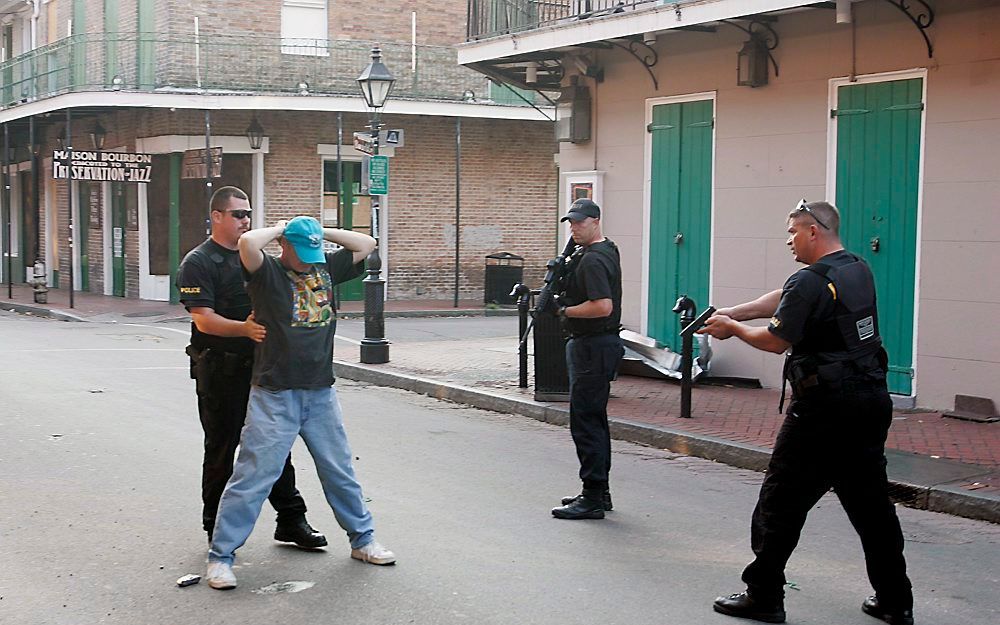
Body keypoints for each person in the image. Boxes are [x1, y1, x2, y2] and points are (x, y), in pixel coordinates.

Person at [698, 200, 913, 625]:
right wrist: (735, 310)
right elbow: (786, 297)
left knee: (779, 503)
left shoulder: (810, 282)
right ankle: (895, 600)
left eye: (793, 232)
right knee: (871, 508)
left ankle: (763, 596)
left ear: (813, 231)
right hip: (869, 401)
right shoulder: (854, 269)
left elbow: (777, 340)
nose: (788, 241)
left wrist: (733, 329)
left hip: (822, 411)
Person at [205, 215, 395, 590]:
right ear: (284, 247)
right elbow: (247, 244)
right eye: (301, 250)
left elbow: (366, 244)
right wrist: (282, 228)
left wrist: (317, 232)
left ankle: (363, 540)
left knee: (339, 471)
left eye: (314, 252)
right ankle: (221, 557)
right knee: (253, 477)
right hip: (275, 393)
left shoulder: (325, 266)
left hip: (320, 391)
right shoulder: (266, 273)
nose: (309, 260)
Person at [177, 186, 326, 549]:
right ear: (216, 216)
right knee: (222, 450)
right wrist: (243, 329)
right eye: (238, 214)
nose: (245, 220)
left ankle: (291, 520)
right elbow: (204, 321)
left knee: (275, 447)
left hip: (264, 370)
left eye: (248, 214)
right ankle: (216, 529)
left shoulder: (256, 258)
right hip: (221, 371)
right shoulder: (199, 262)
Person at [549, 199, 624, 521]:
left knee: (586, 422)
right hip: (597, 345)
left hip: (591, 345)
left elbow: (602, 306)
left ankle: (592, 496)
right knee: (594, 420)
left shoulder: (593, 260)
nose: (574, 227)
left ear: (595, 221)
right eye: (571, 223)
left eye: (580, 222)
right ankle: (598, 492)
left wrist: (564, 311)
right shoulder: (606, 250)